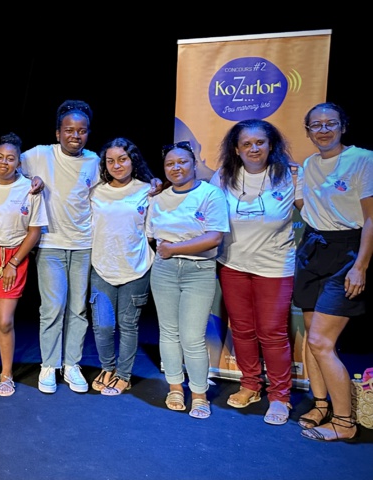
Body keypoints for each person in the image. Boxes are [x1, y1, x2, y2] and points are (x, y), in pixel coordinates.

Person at [210, 119, 296, 425]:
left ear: (271, 145)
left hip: (275, 267)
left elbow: (316, 209)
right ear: (236, 149)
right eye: (246, 144)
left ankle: (280, 396)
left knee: (272, 332)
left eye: (260, 142)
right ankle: (250, 385)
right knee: (243, 330)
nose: (254, 148)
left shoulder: (289, 175)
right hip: (233, 265)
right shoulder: (223, 176)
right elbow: (200, 207)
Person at [294, 102, 371, 442]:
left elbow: (371, 219)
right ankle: (321, 404)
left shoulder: (363, 159)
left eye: (330, 123)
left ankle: (344, 422)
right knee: (312, 338)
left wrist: (360, 266)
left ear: (343, 126)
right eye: (316, 125)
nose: (323, 130)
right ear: (308, 131)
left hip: (347, 252)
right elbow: (306, 206)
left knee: (322, 341)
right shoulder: (309, 164)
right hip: (313, 249)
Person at [20, 99, 100, 394]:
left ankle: (72, 364)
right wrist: (29, 177)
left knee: (78, 309)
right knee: (52, 308)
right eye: (69, 130)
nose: (75, 135)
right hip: (50, 243)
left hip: (83, 246)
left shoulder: (94, 161)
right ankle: (49, 365)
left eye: (82, 130)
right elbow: (2, 163)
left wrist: (152, 182)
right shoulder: (40, 154)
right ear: (58, 133)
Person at [147, 141, 229, 419]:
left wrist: (174, 248)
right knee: (169, 332)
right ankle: (175, 388)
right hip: (165, 270)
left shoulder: (210, 194)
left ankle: (199, 394)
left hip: (199, 270)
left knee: (192, 337)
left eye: (182, 162)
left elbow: (214, 237)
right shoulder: (158, 199)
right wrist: (167, 252)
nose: (176, 167)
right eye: (170, 163)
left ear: (194, 164)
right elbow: (152, 236)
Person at [0, 133, 45, 397]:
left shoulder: (30, 189)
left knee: (4, 320)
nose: (4, 162)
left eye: (10, 158)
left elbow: (34, 231)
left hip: (15, 255)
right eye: (0, 157)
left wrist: (14, 262)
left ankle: (7, 372)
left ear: (19, 163)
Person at [88, 138, 156, 397]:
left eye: (122, 159)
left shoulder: (147, 190)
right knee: (103, 326)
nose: (116, 165)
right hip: (102, 267)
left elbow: (151, 231)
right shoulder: (96, 192)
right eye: (110, 161)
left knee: (128, 325)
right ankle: (107, 368)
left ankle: (124, 375)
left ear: (132, 160)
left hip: (136, 268)